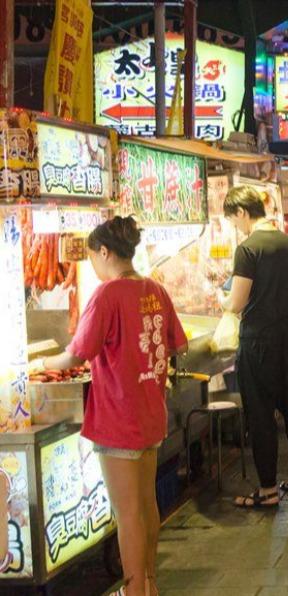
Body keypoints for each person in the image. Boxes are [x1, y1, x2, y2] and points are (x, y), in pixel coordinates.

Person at [29, 216, 185, 596]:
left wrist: (39, 365)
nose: (92, 267)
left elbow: (76, 355)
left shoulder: (107, 294)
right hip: (150, 415)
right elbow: (178, 343)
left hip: (120, 417)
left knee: (127, 513)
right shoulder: (155, 289)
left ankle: (134, 591)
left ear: (104, 252)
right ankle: (149, 585)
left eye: (92, 257)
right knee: (146, 506)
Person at [222, 186, 288, 507]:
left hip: (258, 341)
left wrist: (223, 298)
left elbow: (236, 302)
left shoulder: (248, 249)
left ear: (242, 213)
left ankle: (268, 490)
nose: (236, 226)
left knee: (261, 414)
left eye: (234, 220)